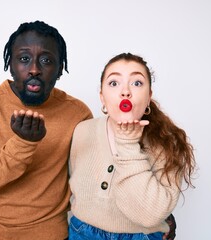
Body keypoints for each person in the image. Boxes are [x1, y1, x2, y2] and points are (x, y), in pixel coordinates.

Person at [0, 20, 177, 240]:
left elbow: (94, 178)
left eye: (46, 60)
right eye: (24, 59)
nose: (34, 69)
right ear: (11, 64)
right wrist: (22, 143)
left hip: (54, 235)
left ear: (59, 69)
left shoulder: (77, 113)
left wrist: (158, 217)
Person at [68, 53, 195, 240]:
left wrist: (127, 143)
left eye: (136, 83)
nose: (125, 91)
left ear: (149, 96)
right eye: (114, 83)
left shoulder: (168, 141)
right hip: (81, 233)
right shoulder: (82, 131)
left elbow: (150, 215)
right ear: (102, 97)